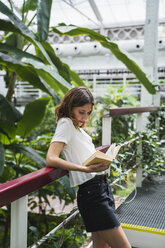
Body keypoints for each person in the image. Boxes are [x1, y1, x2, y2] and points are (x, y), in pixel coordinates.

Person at [46, 86, 131, 248]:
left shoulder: (77, 128)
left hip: (102, 189)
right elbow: (51, 158)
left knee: (100, 246)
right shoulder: (65, 124)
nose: (85, 117)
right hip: (92, 194)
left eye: (88, 112)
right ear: (70, 107)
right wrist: (85, 169)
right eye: (81, 112)